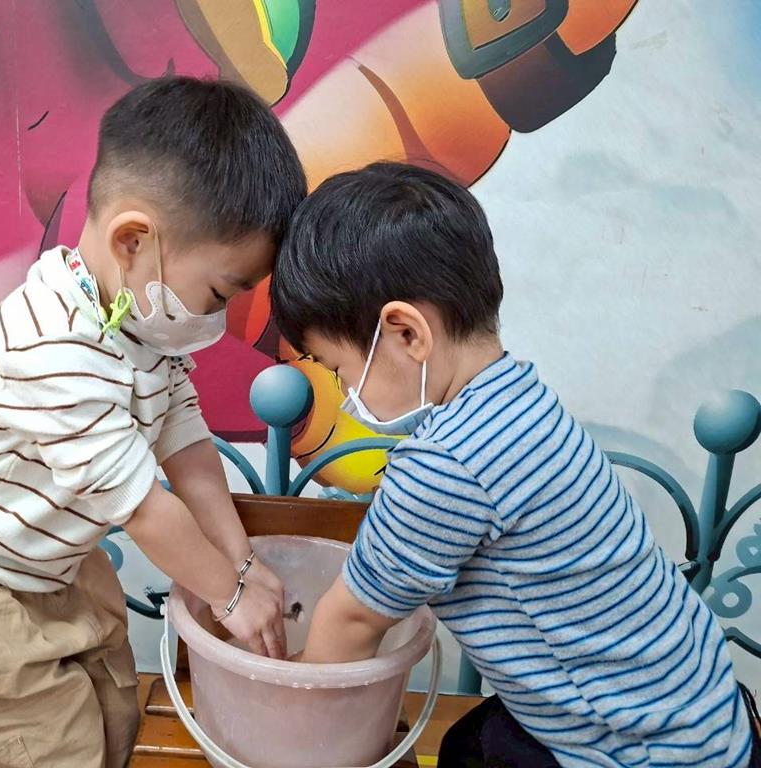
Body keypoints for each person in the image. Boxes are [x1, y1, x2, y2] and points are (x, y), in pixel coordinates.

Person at [269, 161, 760, 767]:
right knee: (468, 746)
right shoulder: (521, 399)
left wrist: (288, 717)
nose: (345, 393)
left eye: (338, 368)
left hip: (641, 750)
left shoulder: (442, 466)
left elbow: (349, 621)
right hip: (700, 709)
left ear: (406, 334)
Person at [0, 75, 306, 767]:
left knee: (110, 725)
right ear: (134, 240)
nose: (218, 317)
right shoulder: (51, 349)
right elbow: (145, 510)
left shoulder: (136, 322)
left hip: (52, 571)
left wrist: (242, 560)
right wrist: (230, 597)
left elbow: (187, 447)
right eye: (218, 292)